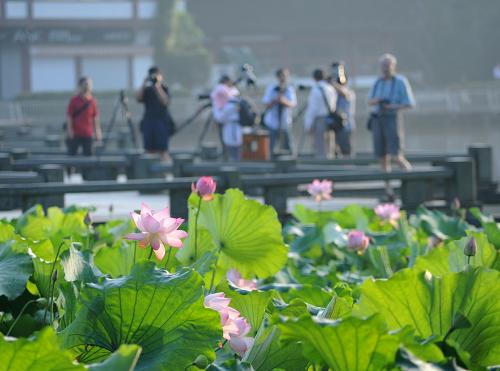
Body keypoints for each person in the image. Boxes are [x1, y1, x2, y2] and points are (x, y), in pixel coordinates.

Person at [136, 66, 174, 161]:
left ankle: (166, 171)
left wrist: (157, 86)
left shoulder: (164, 88)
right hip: (149, 121)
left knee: (162, 150)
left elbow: (165, 102)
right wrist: (144, 83)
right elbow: (138, 98)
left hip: (161, 121)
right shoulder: (147, 90)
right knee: (148, 150)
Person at [262, 68, 297, 157]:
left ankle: (291, 161)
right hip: (272, 122)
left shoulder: (289, 89)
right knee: (271, 146)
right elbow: (266, 104)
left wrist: (283, 101)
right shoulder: (271, 88)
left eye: (285, 76)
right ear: (277, 77)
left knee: (288, 145)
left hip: (285, 122)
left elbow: (292, 103)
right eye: (282, 76)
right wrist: (275, 100)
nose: (284, 78)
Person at [304, 69, 337, 159]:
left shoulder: (315, 90)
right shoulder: (330, 88)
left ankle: (322, 164)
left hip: (319, 119)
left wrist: (308, 125)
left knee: (320, 145)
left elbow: (312, 109)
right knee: (330, 144)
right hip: (330, 119)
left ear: (314, 78)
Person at [66, 77, 101, 156]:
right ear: (80, 86)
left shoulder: (93, 101)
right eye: (86, 84)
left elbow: (95, 117)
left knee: (88, 155)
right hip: (75, 133)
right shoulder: (74, 100)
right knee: (71, 155)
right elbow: (69, 116)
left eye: (89, 84)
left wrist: (97, 131)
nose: (88, 86)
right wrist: (69, 130)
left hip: (88, 134)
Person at [211, 76, 242, 161]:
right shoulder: (229, 101)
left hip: (232, 127)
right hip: (229, 126)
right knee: (232, 148)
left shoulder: (231, 102)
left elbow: (220, 117)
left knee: (234, 149)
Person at [330, 62, 356, 157]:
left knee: (346, 152)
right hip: (334, 125)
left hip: (345, 126)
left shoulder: (349, 92)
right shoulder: (333, 92)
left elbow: (344, 92)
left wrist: (333, 82)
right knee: (334, 151)